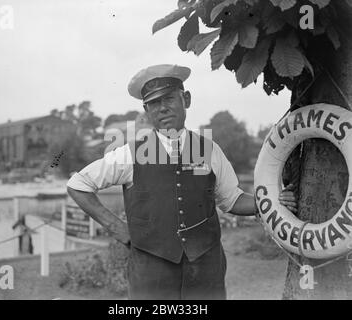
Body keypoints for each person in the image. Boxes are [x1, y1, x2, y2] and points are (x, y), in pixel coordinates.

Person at [66, 64, 297, 300]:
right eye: (154, 103)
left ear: (186, 99)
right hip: (152, 273)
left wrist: (269, 201)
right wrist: (117, 228)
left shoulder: (208, 150)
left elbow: (232, 199)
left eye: (169, 98)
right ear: (146, 110)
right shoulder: (129, 154)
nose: (163, 108)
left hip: (206, 269)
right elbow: (78, 184)